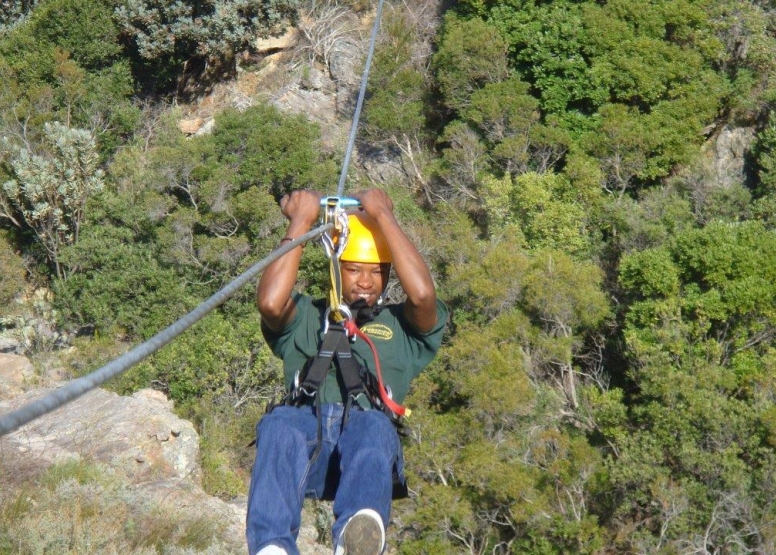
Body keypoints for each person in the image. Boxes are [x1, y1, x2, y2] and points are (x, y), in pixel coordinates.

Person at [247, 188, 448, 555]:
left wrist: (385, 216)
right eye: (354, 269)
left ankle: (358, 534)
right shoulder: (305, 317)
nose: (366, 282)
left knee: (373, 424)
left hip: (363, 455)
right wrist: (300, 221)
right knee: (279, 425)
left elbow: (421, 296)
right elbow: (270, 302)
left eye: (377, 272)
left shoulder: (403, 328)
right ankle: (272, 547)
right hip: (305, 441)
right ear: (335, 268)